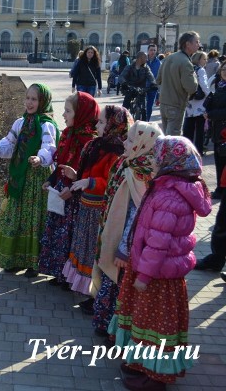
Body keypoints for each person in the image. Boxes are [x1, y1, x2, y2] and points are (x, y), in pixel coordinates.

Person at [108, 136, 211, 391]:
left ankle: (153, 376)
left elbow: (158, 244)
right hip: (151, 269)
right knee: (144, 320)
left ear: (170, 161)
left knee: (155, 323)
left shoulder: (170, 196)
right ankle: (140, 364)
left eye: (156, 157)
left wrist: (143, 276)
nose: (152, 161)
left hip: (156, 275)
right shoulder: (167, 187)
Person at [92, 121, 162, 338]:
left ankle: (115, 332)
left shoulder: (143, 173)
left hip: (127, 247)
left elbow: (135, 216)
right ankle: (107, 326)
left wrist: (123, 248)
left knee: (118, 288)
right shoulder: (127, 163)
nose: (125, 141)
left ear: (143, 144)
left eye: (131, 139)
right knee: (110, 284)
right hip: (115, 235)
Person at [61, 105, 131, 312]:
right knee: (83, 248)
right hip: (86, 206)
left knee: (95, 252)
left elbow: (111, 182)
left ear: (114, 125)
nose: (97, 125)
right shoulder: (97, 146)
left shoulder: (116, 153)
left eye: (101, 122)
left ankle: (95, 295)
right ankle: (84, 288)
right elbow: (88, 173)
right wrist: (77, 176)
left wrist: (90, 182)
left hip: (99, 211)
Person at [0, 83, 59, 277]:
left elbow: (50, 147)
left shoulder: (46, 125)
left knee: (33, 218)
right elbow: (10, 142)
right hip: (19, 176)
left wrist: (40, 158)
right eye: (27, 98)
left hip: (36, 177)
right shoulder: (20, 123)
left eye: (34, 99)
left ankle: (33, 263)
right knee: (14, 215)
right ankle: (14, 258)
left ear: (43, 101)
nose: (29, 102)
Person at [38, 91, 99, 287]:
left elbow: (88, 173)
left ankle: (69, 276)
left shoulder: (90, 142)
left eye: (68, 111)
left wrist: (72, 189)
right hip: (61, 192)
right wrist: (51, 178)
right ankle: (58, 272)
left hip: (75, 198)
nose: (63, 115)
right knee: (58, 234)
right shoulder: (67, 134)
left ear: (81, 113)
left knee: (71, 237)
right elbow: (61, 162)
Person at [156, 31, 201, 135]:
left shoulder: (169, 57)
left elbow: (158, 79)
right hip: (176, 104)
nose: (199, 44)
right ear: (187, 44)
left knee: (167, 136)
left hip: (164, 102)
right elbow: (191, 88)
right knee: (173, 139)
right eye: (196, 42)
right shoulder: (185, 62)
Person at [205, 61, 226, 200]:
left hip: (224, 130)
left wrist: (211, 114)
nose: (224, 71)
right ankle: (220, 188)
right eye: (223, 69)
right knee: (219, 159)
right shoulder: (220, 85)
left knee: (223, 161)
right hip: (218, 129)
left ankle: (222, 189)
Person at [183, 51, 210, 156]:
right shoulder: (201, 70)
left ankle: (186, 149)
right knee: (199, 129)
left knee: (188, 127)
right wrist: (210, 96)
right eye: (204, 59)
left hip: (190, 100)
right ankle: (198, 150)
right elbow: (204, 85)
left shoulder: (189, 68)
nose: (206, 61)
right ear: (199, 59)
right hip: (199, 103)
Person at [145, 44, 161, 121]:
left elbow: (160, 76)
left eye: (154, 50)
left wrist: (158, 91)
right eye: (151, 50)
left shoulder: (158, 63)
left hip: (153, 87)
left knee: (149, 106)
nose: (153, 52)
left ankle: (146, 121)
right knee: (140, 104)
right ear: (148, 51)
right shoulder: (143, 60)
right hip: (142, 86)